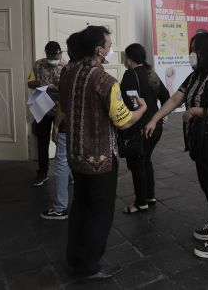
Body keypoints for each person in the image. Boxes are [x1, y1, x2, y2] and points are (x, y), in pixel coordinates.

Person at [58, 26, 146, 282]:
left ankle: (74, 258)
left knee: (80, 207)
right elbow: (125, 121)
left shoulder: (68, 72)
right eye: (108, 45)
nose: (111, 49)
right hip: (100, 160)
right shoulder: (105, 80)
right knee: (99, 213)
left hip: (75, 155)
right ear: (98, 50)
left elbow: (63, 106)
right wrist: (142, 109)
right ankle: (89, 266)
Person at [145, 32, 208, 259]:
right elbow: (176, 98)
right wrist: (155, 118)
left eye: (194, 49)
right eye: (190, 49)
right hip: (202, 141)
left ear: (207, 51)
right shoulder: (196, 76)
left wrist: (194, 111)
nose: (191, 54)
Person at [120, 43, 170, 214]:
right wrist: (161, 115)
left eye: (125, 56)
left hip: (139, 127)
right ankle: (149, 196)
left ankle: (141, 202)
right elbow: (166, 96)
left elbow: (131, 104)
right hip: (155, 126)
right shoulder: (151, 73)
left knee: (137, 164)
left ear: (130, 58)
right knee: (145, 160)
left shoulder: (130, 75)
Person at [41, 34, 83, 220]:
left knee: (61, 163)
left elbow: (64, 104)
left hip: (65, 120)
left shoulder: (68, 70)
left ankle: (60, 207)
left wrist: (56, 126)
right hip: (77, 123)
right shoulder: (90, 70)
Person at [27, 41, 66, 187]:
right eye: (50, 56)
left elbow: (69, 89)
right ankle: (42, 173)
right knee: (42, 142)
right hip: (42, 108)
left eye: (55, 56)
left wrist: (57, 89)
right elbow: (29, 82)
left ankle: (64, 173)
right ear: (46, 54)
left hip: (60, 111)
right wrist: (39, 85)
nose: (53, 59)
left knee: (62, 143)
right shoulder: (38, 65)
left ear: (60, 53)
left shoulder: (66, 67)